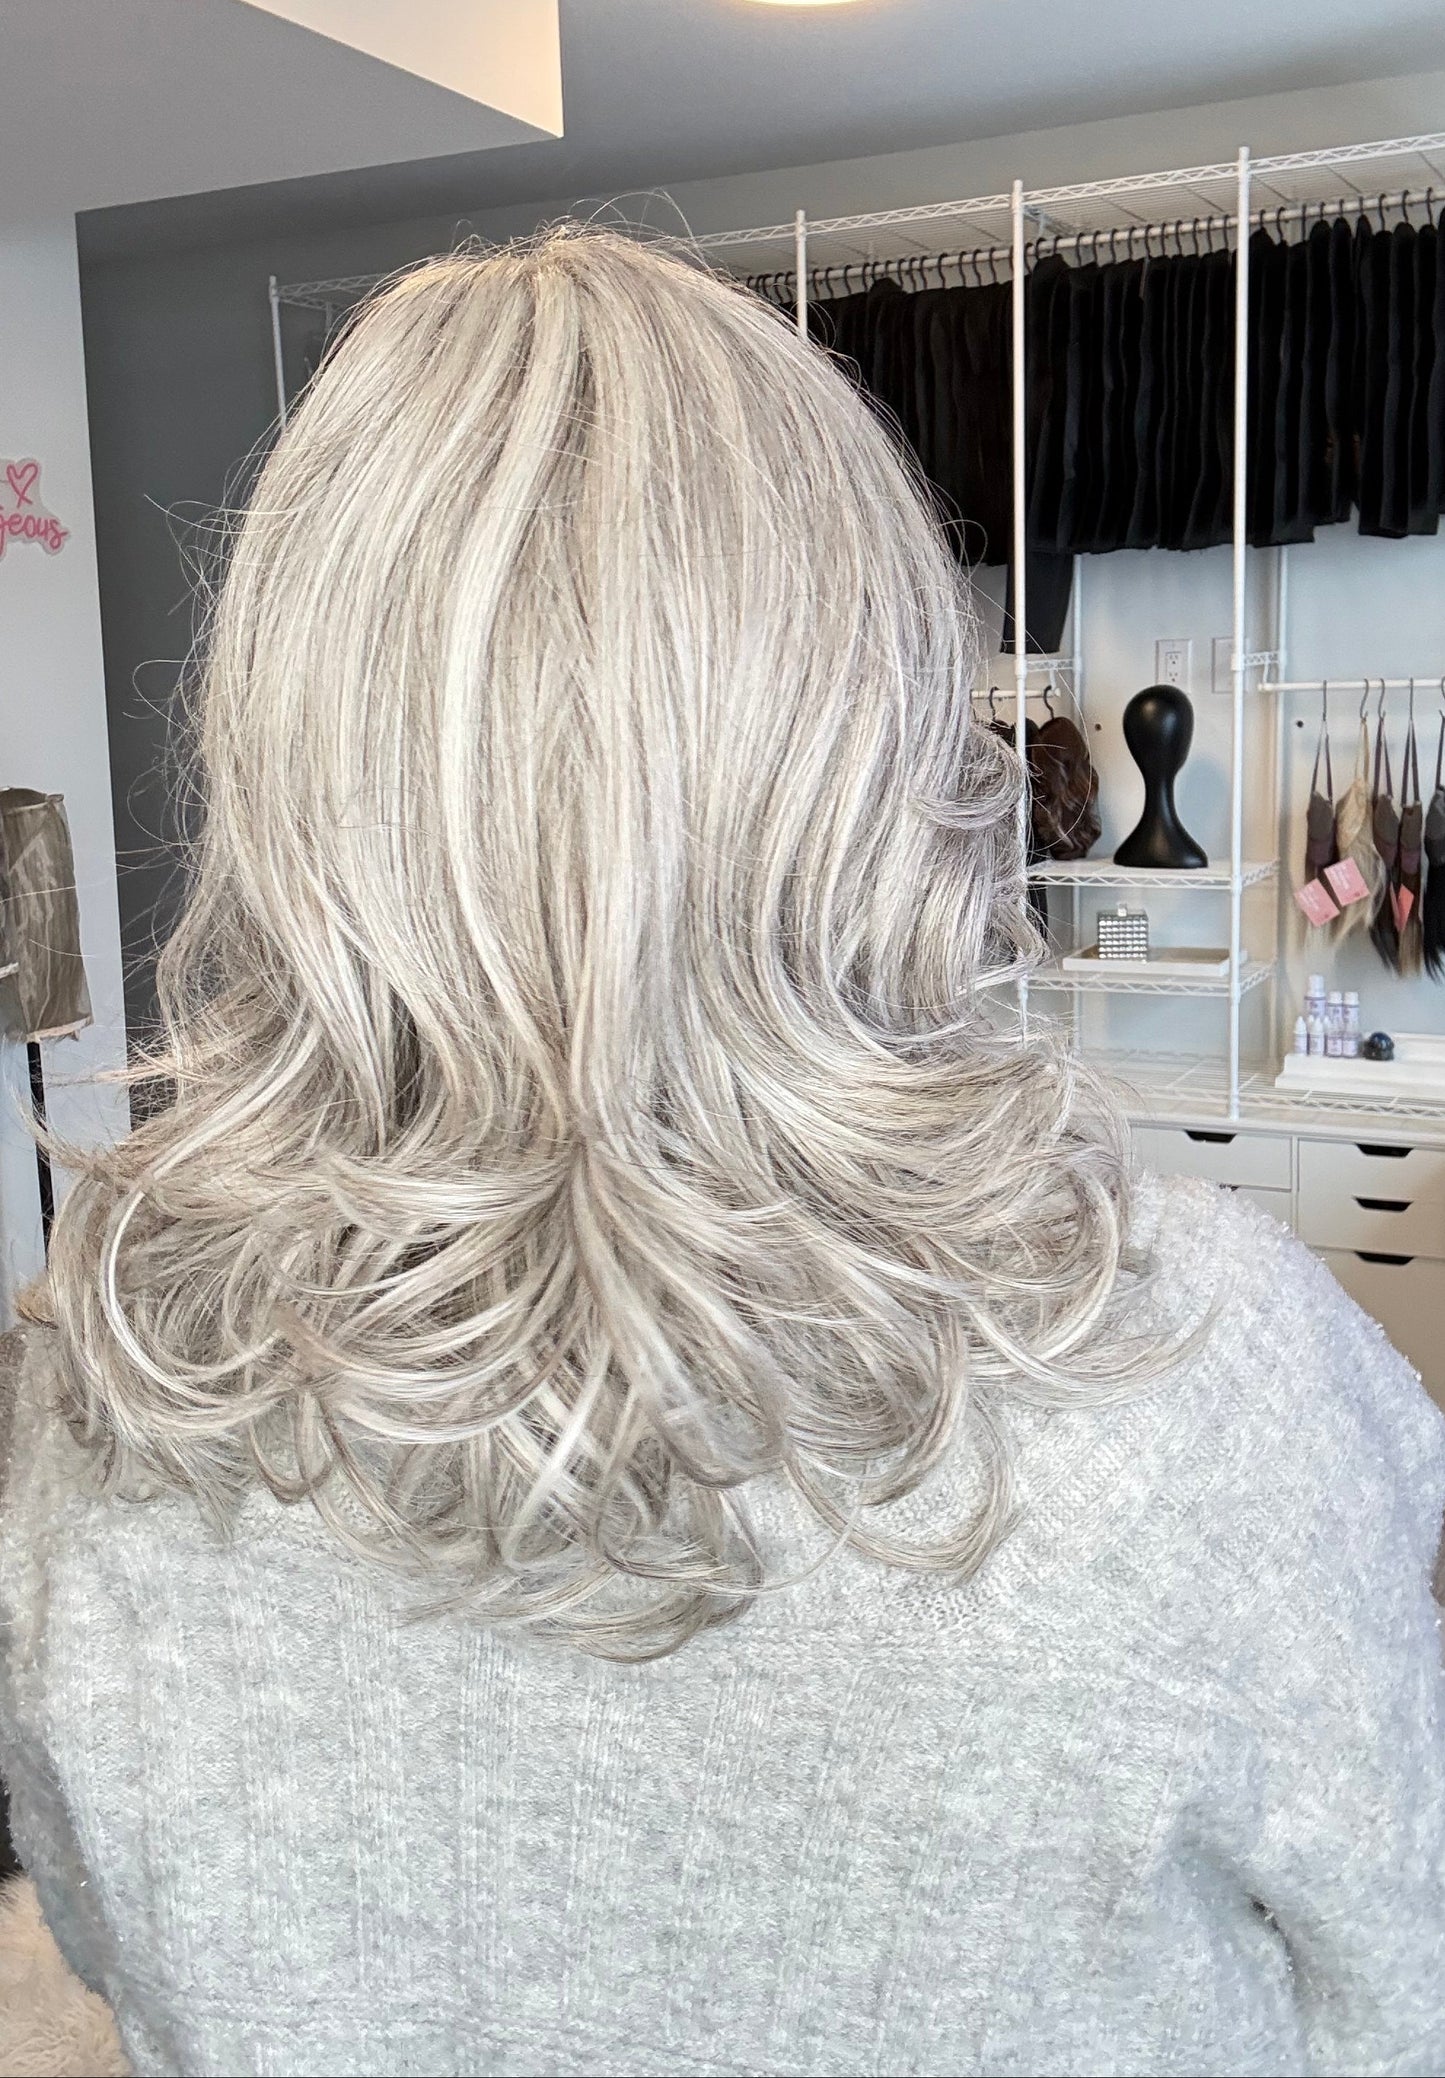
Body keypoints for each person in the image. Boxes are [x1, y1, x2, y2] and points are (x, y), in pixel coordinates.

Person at [0, 228, 1441, 2078]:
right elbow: (1393, 1989)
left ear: (291, 745)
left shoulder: (99, 1394)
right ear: (873, 721)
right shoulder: (1194, 1365)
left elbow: (127, 1962)